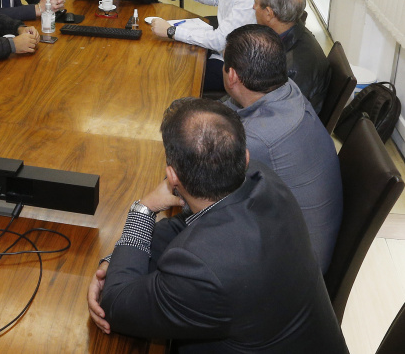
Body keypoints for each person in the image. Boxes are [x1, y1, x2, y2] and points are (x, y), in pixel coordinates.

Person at [87, 98, 346, 352]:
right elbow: (185, 227)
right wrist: (122, 258)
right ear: (244, 157)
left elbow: (116, 305)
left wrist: (144, 209)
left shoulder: (201, 271)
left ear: (172, 177)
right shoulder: (263, 179)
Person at [222, 24, 341, 272]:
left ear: (231, 76)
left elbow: (204, 198)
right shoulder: (287, 88)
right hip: (299, 237)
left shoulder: (255, 140)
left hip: (291, 272)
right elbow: (230, 107)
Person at [254, 0, 330, 113]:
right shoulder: (291, 31)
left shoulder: (295, 66)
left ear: (269, 13)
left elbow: (278, 116)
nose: (253, 7)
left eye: (256, 3)